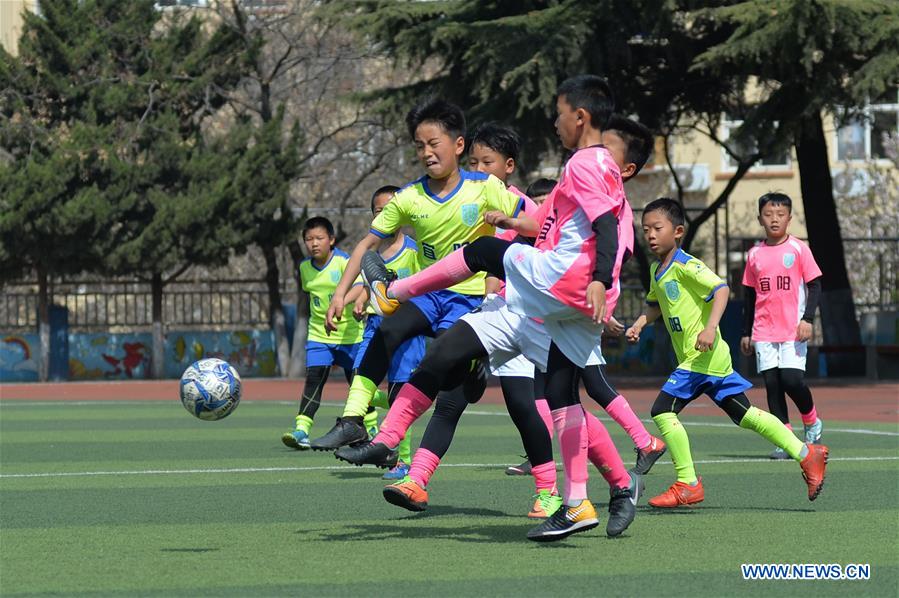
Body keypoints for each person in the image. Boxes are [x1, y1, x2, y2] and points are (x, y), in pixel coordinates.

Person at [339, 75, 640, 542]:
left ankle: (393, 292)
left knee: (480, 253)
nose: (554, 121)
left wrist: (599, 278)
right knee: (552, 392)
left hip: (555, 286)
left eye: (559, 112)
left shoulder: (584, 162)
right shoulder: (598, 170)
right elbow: (560, 221)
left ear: (580, 117)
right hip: (565, 304)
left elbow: (604, 225)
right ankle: (593, 497)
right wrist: (513, 221)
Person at [308, 98, 526, 452]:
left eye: (433, 143)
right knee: (388, 327)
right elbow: (365, 245)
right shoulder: (409, 197)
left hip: (470, 300)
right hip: (429, 292)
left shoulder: (484, 187)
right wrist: (338, 294)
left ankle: (471, 369)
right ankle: (351, 420)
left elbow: (535, 221)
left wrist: (516, 231)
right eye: (419, 146)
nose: (426, 152)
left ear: (458, 145)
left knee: (442, 371)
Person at [624, 198, 829, 508]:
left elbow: (720, 289)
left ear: (678, 231)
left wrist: (710, 328)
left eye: (657, 228)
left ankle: (688, 482)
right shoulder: (657, 269)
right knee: (745, 415)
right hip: (706, 361)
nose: (650, 235)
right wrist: (640, 322)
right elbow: (656, 305)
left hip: (702, 358)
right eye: (645, 229)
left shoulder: (686, 264)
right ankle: (807, 454)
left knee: (662, 410)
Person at [506, 115, 667, 478]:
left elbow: (611, 257)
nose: (598, 152)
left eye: (607, 148)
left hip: (578, 308)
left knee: (572, 387)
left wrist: (598, 295)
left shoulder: (614, 209)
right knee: (571, 387)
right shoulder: (582, 197)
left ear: (625, 169)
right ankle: (629, 455)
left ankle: (624, 458)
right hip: (572, 307)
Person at [343, 185, 425, 479]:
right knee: (358, 380)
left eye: (390, 210)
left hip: (407, 332)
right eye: (379, 211)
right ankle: (372, 424)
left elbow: (428, 282)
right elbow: (368, 286)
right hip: (375, 327)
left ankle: (402, 460)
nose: (385, 215)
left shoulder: (415, 250)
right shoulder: (370, 254)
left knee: (401, 392)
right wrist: (356, 299)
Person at [740, 192, 824, 459]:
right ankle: (785, 439)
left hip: (793, 329)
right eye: (768, 214)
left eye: (780, 214)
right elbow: (749, 296)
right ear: (760, 219)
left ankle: (812, 422)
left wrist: (808, 319)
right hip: (764, 331)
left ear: (789, 217)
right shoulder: (754, 254)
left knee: (791, 380)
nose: (774, 219)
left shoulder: (799, 249)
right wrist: (746, 332)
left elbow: (815, 285)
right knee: (772, 385)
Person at [281, 217, 369, 449]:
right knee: (314, 379)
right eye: (308, 239)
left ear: (331, 240)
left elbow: (360, 286)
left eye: (319, 238)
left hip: (351, 336)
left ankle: (370, 427)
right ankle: (302, 430)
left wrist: (346, 303)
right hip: (319, 336)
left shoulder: (343, 262)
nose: (314, 243)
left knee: (358, 385)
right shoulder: (304, 268)